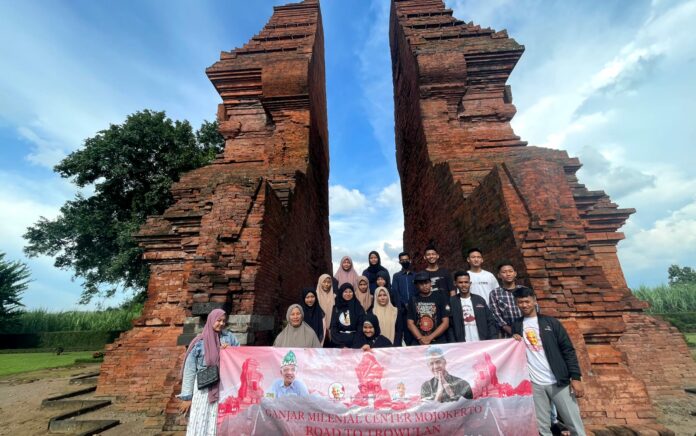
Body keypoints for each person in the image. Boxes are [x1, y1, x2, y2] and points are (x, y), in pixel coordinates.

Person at [512, 287, 586, 436]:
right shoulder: (517, 325)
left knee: (574, 424)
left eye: (527, 301)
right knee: (542, 427)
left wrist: (576, 377)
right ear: (517, 304)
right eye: (520, 302)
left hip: (558, 381)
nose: (524, 305)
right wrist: (514, 339)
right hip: (535, 383)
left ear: (534, 301)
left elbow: (568, 350)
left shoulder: (551, 322)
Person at [178, 309, 240, 436]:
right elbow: (189, 371)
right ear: (211, 320)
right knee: (199, 422)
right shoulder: (199, 342)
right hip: (203, 390)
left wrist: (230, 351)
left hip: (223, 389)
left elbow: (240, 357)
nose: (221, 323)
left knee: (219, 423)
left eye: (224, 321)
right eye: (218, 320)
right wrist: (187, 398)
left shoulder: (229, 338)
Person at [447, 271, 498, 343]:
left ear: (470, 283)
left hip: (482, 342)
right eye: (460, 282)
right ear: (455, 283)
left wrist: (493, 339)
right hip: (461, 344)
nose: (463, 285)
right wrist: (453, 342)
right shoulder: (451, 301)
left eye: (466, 282)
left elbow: (490, 321)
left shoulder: (479, 300)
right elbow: (450, 326)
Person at [406, 271, 450, 345]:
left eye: (426, 283)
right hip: (419, 341)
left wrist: (430, 338)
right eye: (421, 284)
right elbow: (410, 323)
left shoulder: (440, 297)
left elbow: (445, 322)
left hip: (438, 340)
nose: (424, 286)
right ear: (417, 285)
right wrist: (420, 338)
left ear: (430, 283)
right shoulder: (413, 299)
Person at [488, 261, 524, 337]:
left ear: (515, 273)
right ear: (499, 275)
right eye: (504, 272)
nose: (508, 274)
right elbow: (495, 314)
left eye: (510, 271)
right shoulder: (495, 293)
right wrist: (510, 330)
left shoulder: (524, 290)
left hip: (527, 329)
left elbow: (535, 309)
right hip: (506, 333)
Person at [330, 283, 366, 348]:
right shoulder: (337, 307)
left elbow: (361, 325)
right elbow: (333, 327)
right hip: (339, 342)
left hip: (356, 341)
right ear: (341, 293)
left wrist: (355, 341)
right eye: (345, 292)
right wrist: (341, 344)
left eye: (350, 292)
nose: (348, 294)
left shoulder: (358, 307)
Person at [315, 274, 335, 344]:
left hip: (332, 329)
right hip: (319, 328)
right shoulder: (315, 296)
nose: (326, 284)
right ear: (320, 282)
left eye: (329, 282)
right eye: (324, 282)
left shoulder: (334, 297)